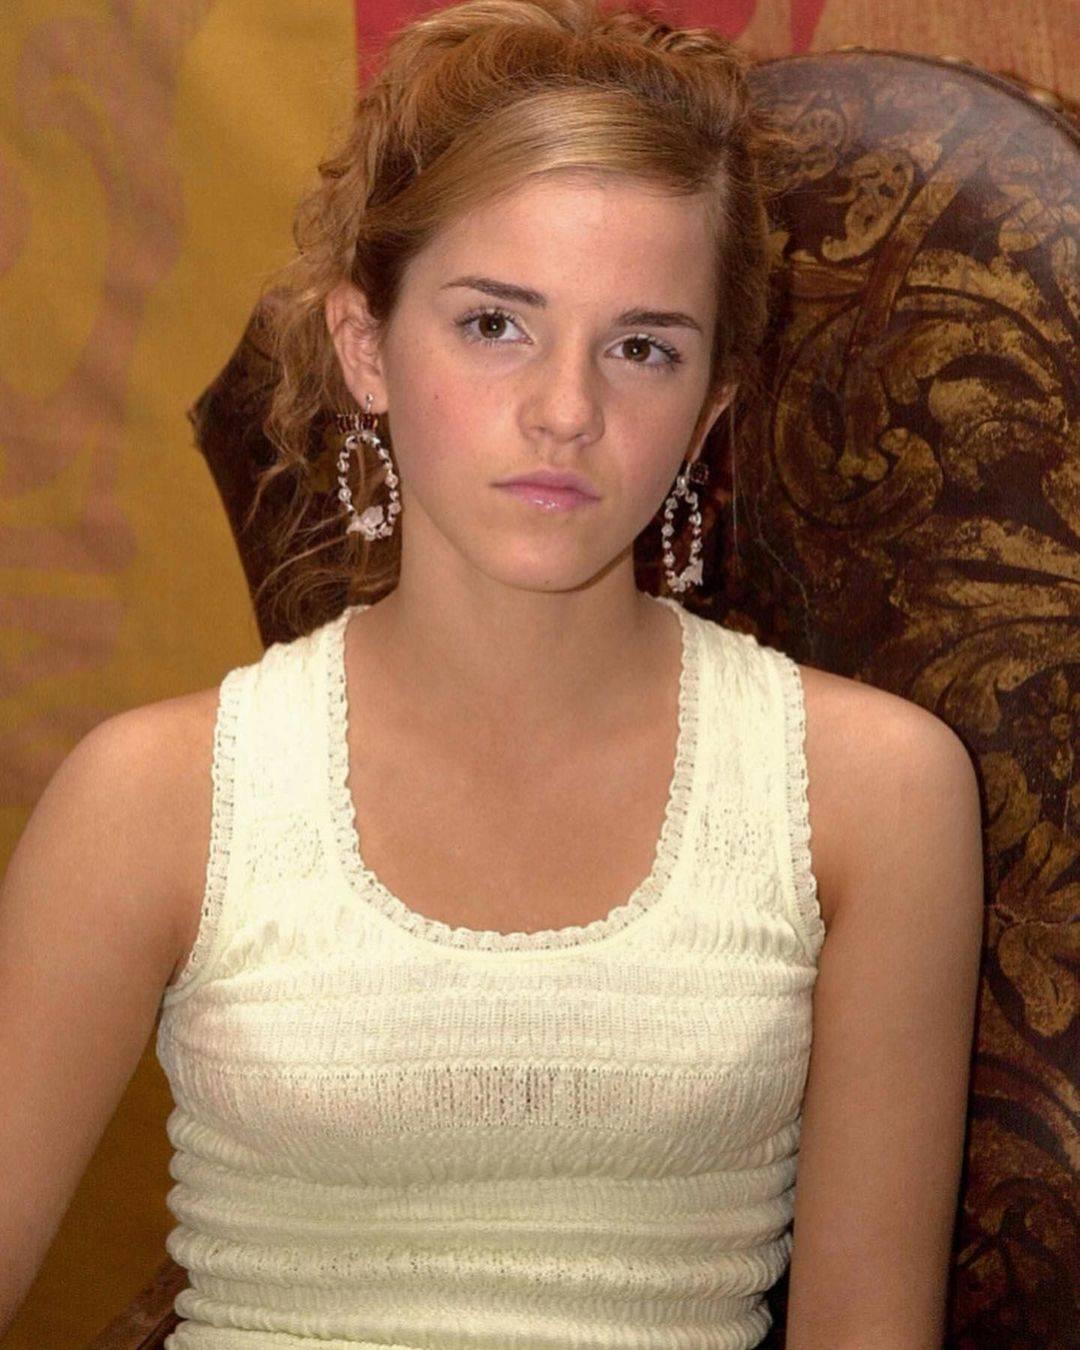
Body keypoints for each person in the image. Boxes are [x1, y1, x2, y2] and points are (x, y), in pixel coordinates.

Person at [0, 0, 986, 1345]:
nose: (566, 411)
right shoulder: (153, 798)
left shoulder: (872, 794)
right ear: (366, 348)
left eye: (641, 347)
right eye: (494, 325)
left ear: (708, 410)